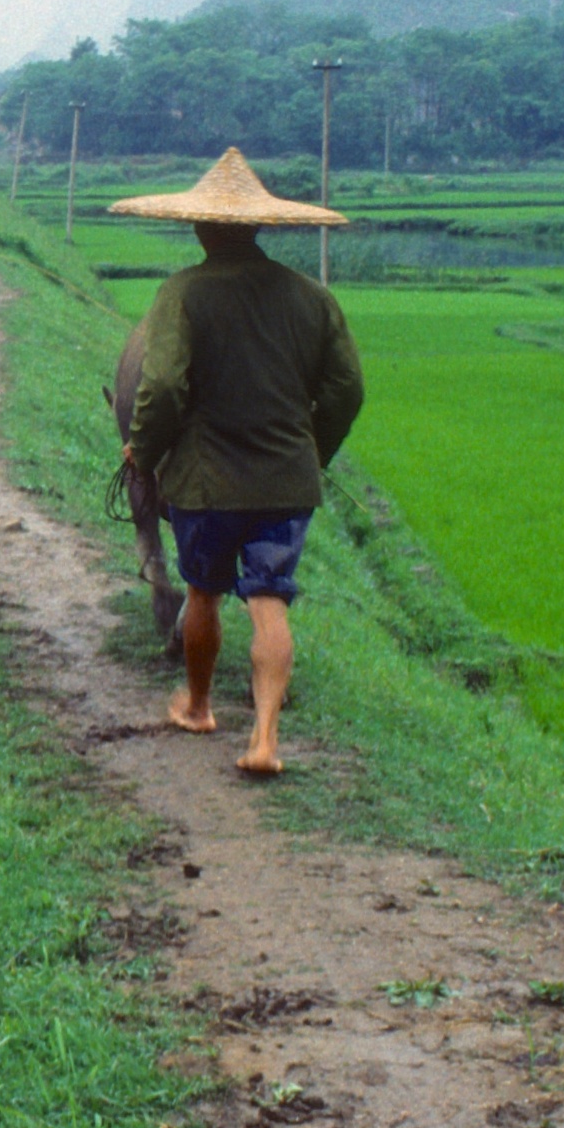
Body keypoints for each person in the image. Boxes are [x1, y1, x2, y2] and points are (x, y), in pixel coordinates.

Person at [108, 149, 363, 776]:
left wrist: (142, 447)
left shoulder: (183, 293)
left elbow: (162, 386)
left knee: (203, 594)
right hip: (286, 482)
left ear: (200, 227)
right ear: (257, 227)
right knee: (269, 600)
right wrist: (311, 453)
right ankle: (266, 738)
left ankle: (197, 706)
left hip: (205, 482)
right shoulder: (312, 298)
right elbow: (346, 391)